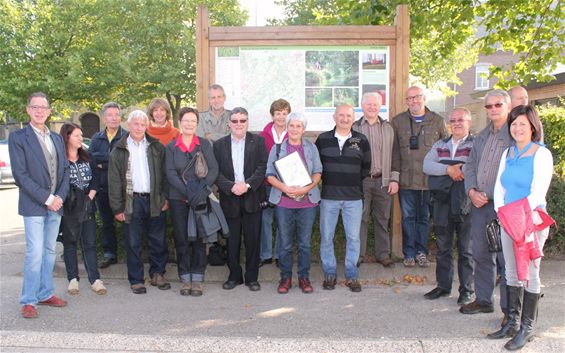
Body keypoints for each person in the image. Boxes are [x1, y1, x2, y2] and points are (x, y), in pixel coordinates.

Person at [489, 105, 553, 350]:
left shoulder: (541, 154)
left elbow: (538, 192)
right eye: (514, 124)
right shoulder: (508, 153)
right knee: (511, 273)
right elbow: (499, 187)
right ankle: (512, 322)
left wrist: (515, 215)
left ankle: (527, 327)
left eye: (522, 124)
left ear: (533, 127)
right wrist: (502, 212)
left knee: (531, 274)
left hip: (531, 222)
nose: (517, 128)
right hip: (508, 219)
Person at [9, 92, 69, 318]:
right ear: (28, 110)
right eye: (35, 107)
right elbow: (21, 175)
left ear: (49, 111)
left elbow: (63, 171)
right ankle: (29, 300)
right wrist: (47, 198)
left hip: (56, 205)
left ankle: (45, 293)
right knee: (34, 253)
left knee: (49, 251)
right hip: (35, 205)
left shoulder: (56, 139)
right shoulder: (18, 138)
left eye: (43, 107)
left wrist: (60, 197)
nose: (39, 111)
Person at [460, 89, 512, 321]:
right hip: (480, 205)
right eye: (489, 106)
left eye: (497, 105)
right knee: (481, 254)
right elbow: (469, 167)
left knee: (507, 259)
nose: (492, 110)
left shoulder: (516, 135)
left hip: (505, 207)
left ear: (507, 106)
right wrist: (471, 191)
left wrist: (490, 194)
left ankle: (510, 311)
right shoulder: (481, 137)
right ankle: (483, 300)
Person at [108, 110, 170, 294]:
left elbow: (165, 175)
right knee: (133, 242)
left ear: (146, 126)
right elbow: (113, 181)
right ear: (129, 125)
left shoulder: (156, 147)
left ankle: (157, 273)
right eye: (135, 124)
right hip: (131, 201)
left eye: (142, 124)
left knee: (158, 240)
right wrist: (117, 208)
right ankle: (136, 279)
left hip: (154, 200)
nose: (138, 127)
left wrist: (164, 197)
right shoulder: (119, 150)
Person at [316, 104, 371, 293]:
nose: (344, 119)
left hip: (353, 198)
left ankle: (351, 275)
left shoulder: (361, 140)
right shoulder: (323, 140)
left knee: (353, 238)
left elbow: (366, 167)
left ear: (353, 118)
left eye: (348, 115)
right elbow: (317, 167)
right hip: (329, 197)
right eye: (341, 115)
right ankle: (329, 274)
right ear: (334, 117)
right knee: (326, 237)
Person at [391, 86, 448, 267]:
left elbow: (445, 151)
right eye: (409, 98)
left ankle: (421, 252)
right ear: (406, 101)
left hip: (428, 181)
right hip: (406, 181)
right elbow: (394, 153)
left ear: (423, 98)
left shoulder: (437, 121)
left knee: (424, 218)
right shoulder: (398, 121)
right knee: (407, 218)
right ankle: (408, 253)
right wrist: (395, 177)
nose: (413, 101)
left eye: (417, 97)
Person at [422, 108, 474, 305]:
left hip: (465, 201)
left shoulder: (475, 144)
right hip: (442, 201)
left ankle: (467, 289)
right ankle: (443, 287)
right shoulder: (440, 144)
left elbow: (475, 167)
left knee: (466, 248)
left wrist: (458, 169)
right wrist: (449, 169)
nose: (456, 123)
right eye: (453, 120)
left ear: (469, 122)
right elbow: (427, 165)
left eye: (461, 120)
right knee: (443, 246)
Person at [266, 112, 322, 294]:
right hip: (284, 203)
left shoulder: (311, 148)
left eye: (298, 126)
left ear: (303, 129)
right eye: (291, 125)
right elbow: (269, 174)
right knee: (285, 243)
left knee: (305, 243)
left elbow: (318, 172)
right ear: (287, 127)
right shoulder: (276, 149)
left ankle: (304, 278)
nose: (294, 129)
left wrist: (306, 188)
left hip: (307, 203)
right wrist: (284, 187)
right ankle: (286, 277)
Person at [165, 107, 219, 296]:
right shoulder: (171, 147)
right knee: (182, 238)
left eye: (192, 121)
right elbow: (170, 173)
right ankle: (185, 277)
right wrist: (188, 191)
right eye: (186, 120)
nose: (189, 124)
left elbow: (213, 170)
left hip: (200, 197)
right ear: (180, 123)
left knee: (199, 238)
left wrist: (201, 191)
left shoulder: (204, 144)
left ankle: (197, 278)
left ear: (197, 124)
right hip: (178, 198)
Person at [214, 107, 267, 292]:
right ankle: (234, 276)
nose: (238, 124)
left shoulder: (258, 141)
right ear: (229, 123)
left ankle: (252, 278)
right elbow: (216, 172)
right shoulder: (219, 145)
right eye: (235, 121)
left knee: (253, 241)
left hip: (252, 197)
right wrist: (230, 186)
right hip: (229, 199)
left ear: (247, 122)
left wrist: (247, 185)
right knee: (232, 241)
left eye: (242, 121)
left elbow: (262, 167)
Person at [59, 123, 107, 296]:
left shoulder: (88, 157)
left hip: (87, 205)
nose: (81, 138)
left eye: (81, 135)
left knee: (90, 243)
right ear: (67, 137)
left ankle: (95, 279)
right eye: (77, 135)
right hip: (69, 207)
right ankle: (73, 279)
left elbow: (96, 178)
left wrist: (90, 196)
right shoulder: (60, 160)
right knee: (70, 242)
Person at [352, 92, 398, 268]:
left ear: (380, 106)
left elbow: (395, 155)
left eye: (375, 104)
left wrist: (394, 179)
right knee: (360, 218)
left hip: (383, 180)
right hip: (361, 180)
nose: (372, 107)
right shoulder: (354, 128)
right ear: (362, 106)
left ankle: (383, 254)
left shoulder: (388, 128)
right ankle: (358, 254)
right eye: (368, 104)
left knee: (382, 218)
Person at [89, 102, 128, 268]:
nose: (114, 118)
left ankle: (130, 253)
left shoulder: (127, 136)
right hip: (103, 188)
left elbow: (126, 162)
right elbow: (91, 161)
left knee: (128, 221)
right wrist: (110, 161)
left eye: (117, 115)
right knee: (107, 223)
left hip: (123, 189)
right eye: (110, 115)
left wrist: (103, 162)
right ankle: (110, 254)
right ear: (104, 118)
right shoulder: (96, 138)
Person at [259, 98, 290, 267]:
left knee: (282, 220)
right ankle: (265, 255)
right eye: (278, 113)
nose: (281, 117)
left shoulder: (292, 134)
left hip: (285, 184)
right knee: (265, 219)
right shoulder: (263, 135)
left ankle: (279, 255)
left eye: (284, 114)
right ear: (272, 115)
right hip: (267, 183)